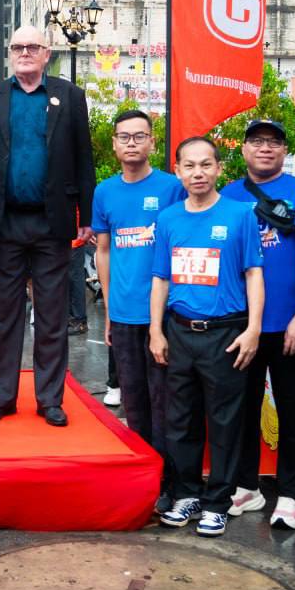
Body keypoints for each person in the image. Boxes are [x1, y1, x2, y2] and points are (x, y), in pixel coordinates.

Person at [0, 26, 96, 428]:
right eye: (18, 47)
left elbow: (84, 158)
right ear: (9, 52)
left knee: (53, 315)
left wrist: (88, 217)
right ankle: (2, 397)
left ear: (46, 53)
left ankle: (50, 399)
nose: (24, 52)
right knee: (3, 316)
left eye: (32, 47)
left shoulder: (70, 97)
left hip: (52, 221)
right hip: (3, 222)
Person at [149, 137, 263, 538]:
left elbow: (254, 273)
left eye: (205, 165)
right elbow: (161, 279)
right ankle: (187, 494)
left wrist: (253, 329)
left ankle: (217, 503)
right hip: (180, 332)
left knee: (225, 423)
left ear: (218, 168)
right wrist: (156, 330)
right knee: (180, 421)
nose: (198, 173)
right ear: (178, 171)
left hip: (226, 334)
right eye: (189, 166)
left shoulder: (240, 215)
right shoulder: (168, 219)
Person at [220, 120, 295, 530]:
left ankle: (290, 495)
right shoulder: (227, 195)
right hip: (242, 326)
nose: (265, 148)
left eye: (274, 142)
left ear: (284, 151)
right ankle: (247, 486)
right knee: (241, 411)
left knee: (294, 412)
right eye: (257, 141)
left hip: (290, 323)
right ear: (243, 149)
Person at [92, 109, 185, 512]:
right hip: (124, 313)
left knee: (166, 403)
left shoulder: (171, 188)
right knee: (134, 403)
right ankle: (145, 479)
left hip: (164, 315)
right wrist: (109, 309)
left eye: (139, 136)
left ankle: (172, 483)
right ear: (114, 143)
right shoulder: (104, 192)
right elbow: (104, 251)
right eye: (124, 137)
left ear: (152, 142)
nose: (132, 143)